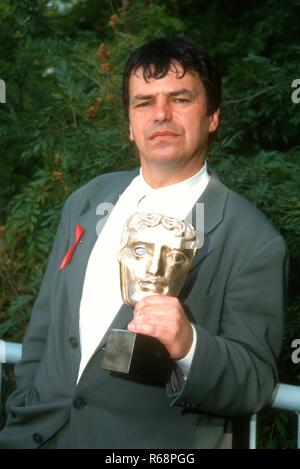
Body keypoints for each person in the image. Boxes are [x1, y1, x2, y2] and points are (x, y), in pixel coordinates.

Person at [0, 37, 287, 449]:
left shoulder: (253, 238)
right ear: (129, 126)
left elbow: (255, 382)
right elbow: (43, 330)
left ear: (213, 117)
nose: (161, 114)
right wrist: (22, 408)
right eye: (143, 102)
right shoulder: (85, 201)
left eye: (181, 98)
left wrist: (189, 344)